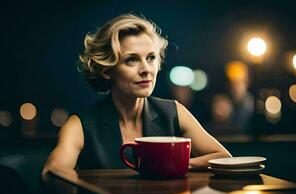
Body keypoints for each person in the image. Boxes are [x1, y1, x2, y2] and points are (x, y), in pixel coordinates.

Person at [42, 14, 231, 175]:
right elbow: (52, 173)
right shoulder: (81, 124)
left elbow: (224, 157)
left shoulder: (174, 111)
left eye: (151, 58)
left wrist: (178, 164)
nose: (146, 69)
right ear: (106, 70)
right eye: (131, 60)